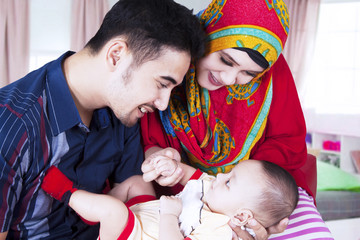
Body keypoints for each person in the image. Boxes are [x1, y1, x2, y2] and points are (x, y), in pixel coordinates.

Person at [0, 0, 205, 239]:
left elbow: (136, 195)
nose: (163, 104)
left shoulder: (124, 114)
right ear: (116, 55)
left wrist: (161, 162)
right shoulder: (13, 123)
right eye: (161, 84)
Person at [141, 0, 333, 239]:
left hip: (255, 194)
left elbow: (287, 143)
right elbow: (148, 141)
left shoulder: (273, 69)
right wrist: (160, 159)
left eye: (249, 74)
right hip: (179, 187)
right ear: (207, 35)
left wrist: (248, 196)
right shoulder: (171, 54)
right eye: (225, 60)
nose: (230, 79)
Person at [41, 158, 299, 240]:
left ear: (241, 216)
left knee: (114, 211)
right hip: (146, 212)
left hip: (139, 234)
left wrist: (169, 215)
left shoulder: (218, 231)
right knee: (137, 182)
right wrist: (170, 165)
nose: (220, 175)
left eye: (229, 181)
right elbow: (188, 174)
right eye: (228, 172)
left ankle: (64, 192)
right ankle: (92, 216)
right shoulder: (213, 188)